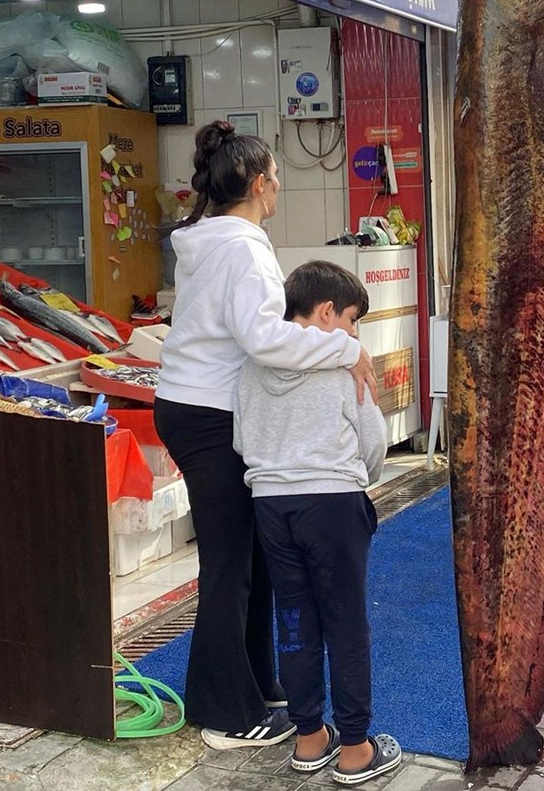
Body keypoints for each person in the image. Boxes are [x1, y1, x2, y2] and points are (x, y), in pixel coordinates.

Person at [153, 121, 377, 750]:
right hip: (208, 413)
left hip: (191, 405)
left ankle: (257, 683)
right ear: (257, 184)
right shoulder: (243, 247)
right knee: (230, 565)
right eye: (276, 177)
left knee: (249, 557)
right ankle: (225, 710)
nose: (279, 187)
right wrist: (343, 349)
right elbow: (263, 339)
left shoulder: (210, 240)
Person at [234, 261, 402, 784]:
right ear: (326, 311)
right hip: (332, 502)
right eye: (352, 320)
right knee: (345, 624)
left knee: (294, 621)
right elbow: (373, 445)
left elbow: (241, 439)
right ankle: (355, 748)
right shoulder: (343, 365)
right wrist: (354, 476)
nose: (355, 335)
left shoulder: (252, 365)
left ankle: (309, 738)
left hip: (270, 504)